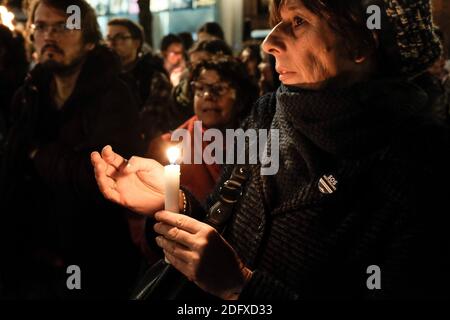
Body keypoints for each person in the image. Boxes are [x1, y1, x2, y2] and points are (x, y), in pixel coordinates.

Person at [92, 0, 450, 300]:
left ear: (362, 41)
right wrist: (172, 201)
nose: (270, 42)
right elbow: (221, 229)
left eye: (298, 21)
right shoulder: (269, 114)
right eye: (277, 20)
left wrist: (242, 287)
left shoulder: (420, 164)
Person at [1, 0, 142, 299]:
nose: (49, 36)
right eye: (41, 27)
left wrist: (39, 153)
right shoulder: (30, 93)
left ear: (90, 41)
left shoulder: (114, 95)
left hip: (95, 256)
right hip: (34, 254)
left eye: (63, 27)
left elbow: (104, 179)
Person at [148, 56, 258, 203]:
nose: (207, 96)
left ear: (240, 97)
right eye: (200, 88)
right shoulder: (165, 146)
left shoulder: (257, 145)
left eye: (219, 89)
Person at [106, 18, 173, 145]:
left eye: (120, 37)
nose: (112, 43)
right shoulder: (103, 75)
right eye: (109, 38)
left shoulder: (152, 76)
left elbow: (149, 123)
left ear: (137, 43)